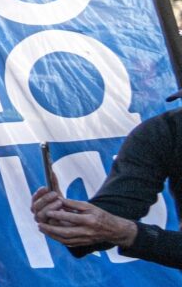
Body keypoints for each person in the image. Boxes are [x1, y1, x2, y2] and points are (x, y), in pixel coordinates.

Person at [31, 105, 182, 270]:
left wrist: (127, 232)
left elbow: (120, 228)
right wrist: (75, 221)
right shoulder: (164, 130)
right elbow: (117, 209)